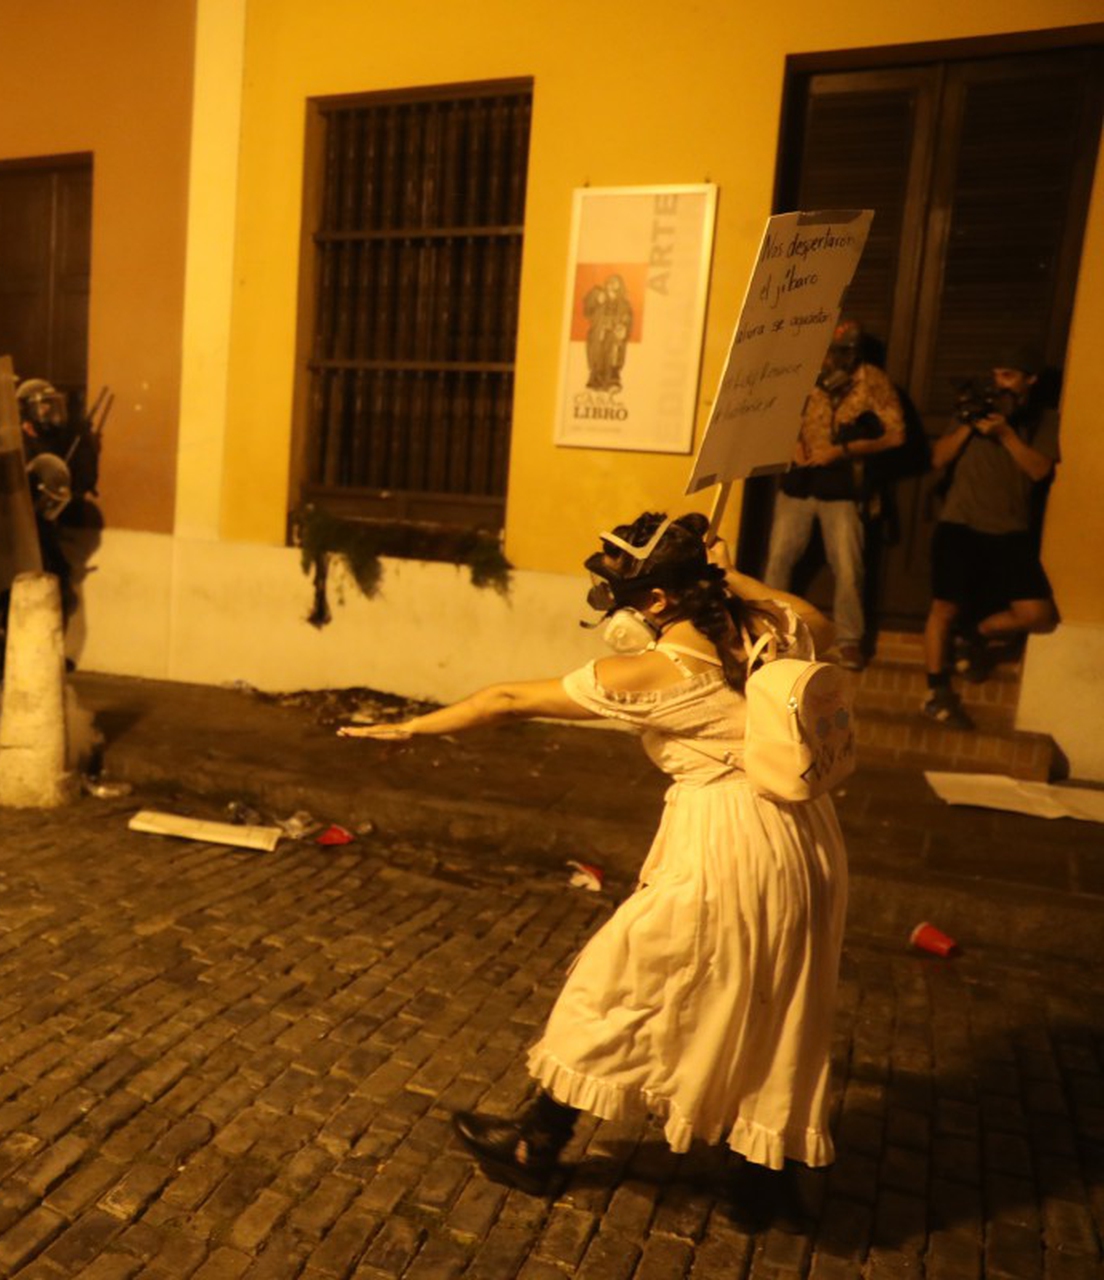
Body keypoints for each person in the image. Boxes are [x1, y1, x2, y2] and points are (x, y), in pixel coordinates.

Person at [341, 511, 848, 1229]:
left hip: (726, 844)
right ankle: (764, 1177)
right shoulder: (771, 629)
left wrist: (411, 727)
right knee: (778, 1000)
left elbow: (508, 700)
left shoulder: (660, 669)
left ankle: (536, 1141)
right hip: (805, 839)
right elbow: (818, 618)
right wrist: (725, 575)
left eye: (624, 596)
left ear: (656, 602)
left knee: (622, 983)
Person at [921, 347, 1060, 729]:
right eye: (997, 374)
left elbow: (1038, 470)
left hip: (1008, 531)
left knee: (1037, 614)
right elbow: (938, 459)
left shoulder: (1043, 420)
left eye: (1010, 376)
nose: (1000, 383)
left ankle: (975, 634)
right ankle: (937, 691)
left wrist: (1005, 434)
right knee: (942, 610)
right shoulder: (972, 410)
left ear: (1029, 380)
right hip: (959, 526)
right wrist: (969, 424)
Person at [762, 320, 905, 670]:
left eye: (843, 352)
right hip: (799, 482)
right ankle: (768, 632)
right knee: (779, 559)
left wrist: (843, 450)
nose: (835, 359)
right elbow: (775, 413)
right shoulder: (802, 371)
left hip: (842, 485)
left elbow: (896, 434)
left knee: (848, 565)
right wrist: (792, 444)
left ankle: (849, 640)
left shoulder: (871, 379)